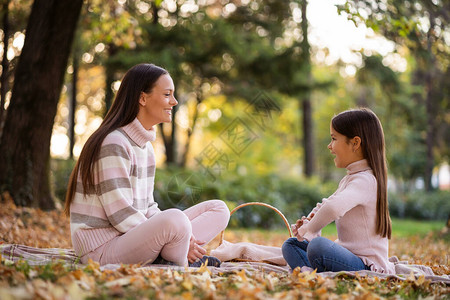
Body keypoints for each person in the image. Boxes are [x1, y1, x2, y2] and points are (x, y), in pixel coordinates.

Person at [64, 63, 230, 267]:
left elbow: (148, 207)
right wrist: (177, 234)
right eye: (167, 94)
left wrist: (177, 235)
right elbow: (121, 215)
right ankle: (179, 259)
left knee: (219, 209)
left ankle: (174, 251)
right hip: (102, 249)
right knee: (176, 220)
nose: (174, 101)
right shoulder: (114, 143)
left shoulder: (145, 148)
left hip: (131, 237)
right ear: (143, 98)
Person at [282, 108, 394, 274]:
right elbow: (326, 204)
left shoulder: (366, 180)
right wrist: (309, 222)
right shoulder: (350, 178)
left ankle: (311, 270)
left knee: (317, 246)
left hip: (366, 265)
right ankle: (309, 272)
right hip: (348, 257)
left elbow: (334, 208)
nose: (329, 146)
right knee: (291, 245)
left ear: (355, 143)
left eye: (334, 138)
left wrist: (311, 230)